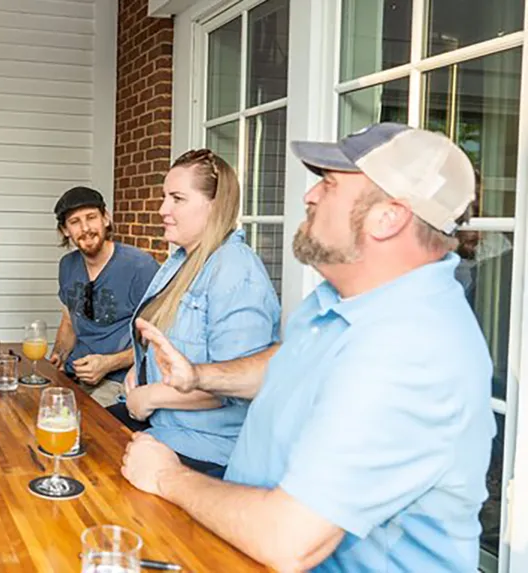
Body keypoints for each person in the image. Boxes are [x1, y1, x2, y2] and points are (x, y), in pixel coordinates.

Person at [122, 123, 494, 572]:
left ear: (388, 217)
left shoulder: (414, 348)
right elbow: (289, 360)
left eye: (331, 184)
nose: (310, 195)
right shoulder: (343, 299)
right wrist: (198, 376)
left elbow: (292, 539)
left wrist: (166, 475)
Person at [110, 149, 280, 476]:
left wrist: (152, 395)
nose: (163, 209)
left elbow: (235, 383)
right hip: (163, 424)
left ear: (214, 205)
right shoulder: (181, 261)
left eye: (177, 199)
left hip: (207, 446)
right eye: (164, 197)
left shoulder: (236, 270)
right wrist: (141, 372)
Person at [47, 186, 159, 407]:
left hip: (118, 382)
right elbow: (70, 321)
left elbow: (160, 337)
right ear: (65, 231)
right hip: (74, 374)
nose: (86, 228)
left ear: (106, 219)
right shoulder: (67, 266)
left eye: (91, 217)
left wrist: (108, 364)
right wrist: (57, 356)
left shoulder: (140, 266)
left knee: (80, 426)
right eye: (75, 222)